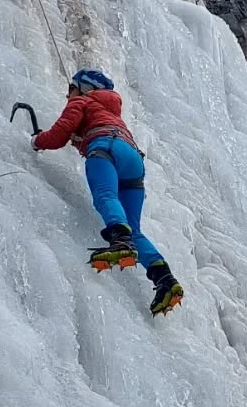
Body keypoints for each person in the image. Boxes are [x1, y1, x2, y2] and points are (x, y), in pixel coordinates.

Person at [32, 69, 184, 316]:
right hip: (132, 159)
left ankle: (120, 241)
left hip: (105, 148)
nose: (67, 94)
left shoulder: (82, 101)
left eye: (71, 89)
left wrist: (37, 142)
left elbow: (60, 132)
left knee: (105, 197)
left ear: (85, 88)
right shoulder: (111, 111)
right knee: (134, 228)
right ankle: (165, 279)